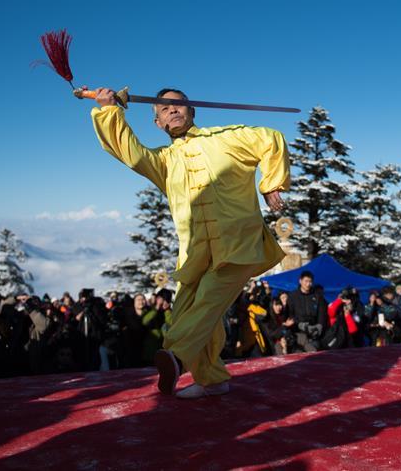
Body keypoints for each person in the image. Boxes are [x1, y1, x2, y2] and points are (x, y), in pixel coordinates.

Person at [90, 86, 290, 399]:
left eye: (178, 105)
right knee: (185, 312)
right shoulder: (164, 162)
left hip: (239, 243)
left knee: (208, 299)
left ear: (192, 110)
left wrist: (271, 183)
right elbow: (127, 151)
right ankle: (211, 379)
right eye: (163, 108)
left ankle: (177, 357)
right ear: (157, 123)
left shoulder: (226, 138)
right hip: (194, 254)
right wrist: (108, 110)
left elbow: (272, 138)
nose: (171, 110)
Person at [287, 271, 328, 352]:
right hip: (298, 332)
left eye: (310, 281)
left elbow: (321, 313)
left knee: (315, 353)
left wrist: (319, 326)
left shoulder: (317, 296)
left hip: (314, 332)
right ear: (300, 281)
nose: (308, 284)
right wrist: (299, 324)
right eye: (306, 281)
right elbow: (290, 314)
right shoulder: (293, 296)